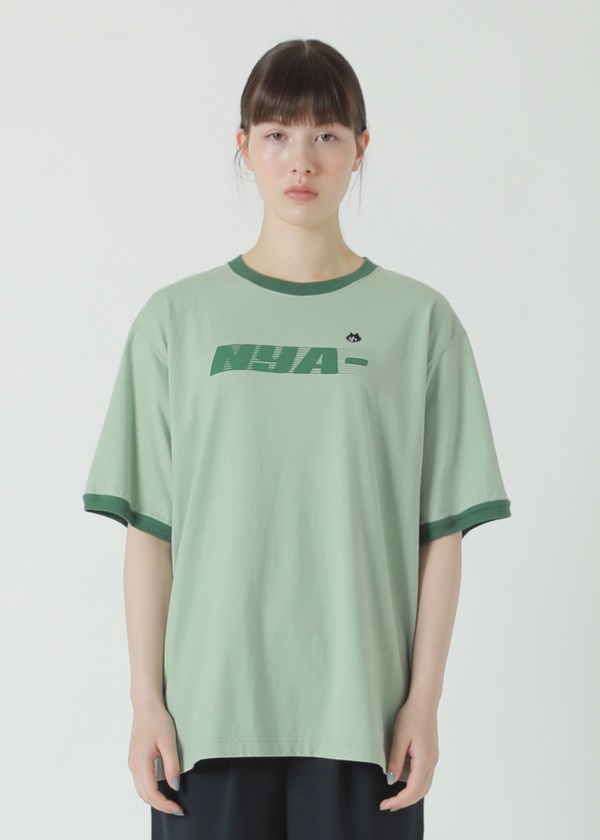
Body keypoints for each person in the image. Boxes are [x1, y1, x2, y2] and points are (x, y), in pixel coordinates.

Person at [82, 38, 512, 840]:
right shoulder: (176, 321)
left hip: (363, 721)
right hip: (208, 721)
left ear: (361, 148)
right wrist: (146, 702)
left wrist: (424, 703)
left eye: (326, 135)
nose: (301, 160)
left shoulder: (420, 323)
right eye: (277, 134)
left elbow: (441, 536)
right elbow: (151, 531)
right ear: (244, 145)